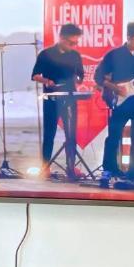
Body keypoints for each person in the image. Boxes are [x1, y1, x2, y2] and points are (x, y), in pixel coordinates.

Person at [95, 20, 134, 180]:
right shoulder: (114, 55)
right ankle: (110, 169)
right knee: (114, 136)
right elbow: (98, 76)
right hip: (121, 102)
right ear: (128, 37)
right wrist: (114, 87)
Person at [31, 23, 85, 179]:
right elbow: (35, 75)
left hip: (70, 97)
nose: (73, 46)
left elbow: (80, 76)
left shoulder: (75, 55)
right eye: (71, 43)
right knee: (50, 133)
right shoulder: (46, 54)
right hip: (51, 98)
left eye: (76, 43)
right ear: (61, 38)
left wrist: (78, 79)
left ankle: (71, 166)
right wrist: (46, 81)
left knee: (71, 134)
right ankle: (45, 167)